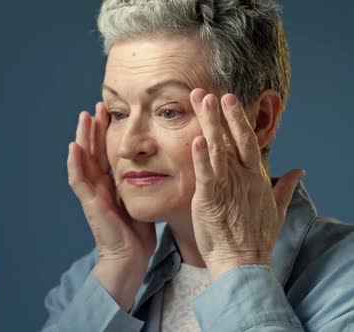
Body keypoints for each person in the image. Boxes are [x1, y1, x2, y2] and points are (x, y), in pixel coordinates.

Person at [40, 0, 354, 331]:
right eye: (118, 113)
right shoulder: (89, 282)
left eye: (169, 111)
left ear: (260, 120)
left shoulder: (345, 283)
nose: (130, 146)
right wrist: (119, 269)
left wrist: (237, 266)